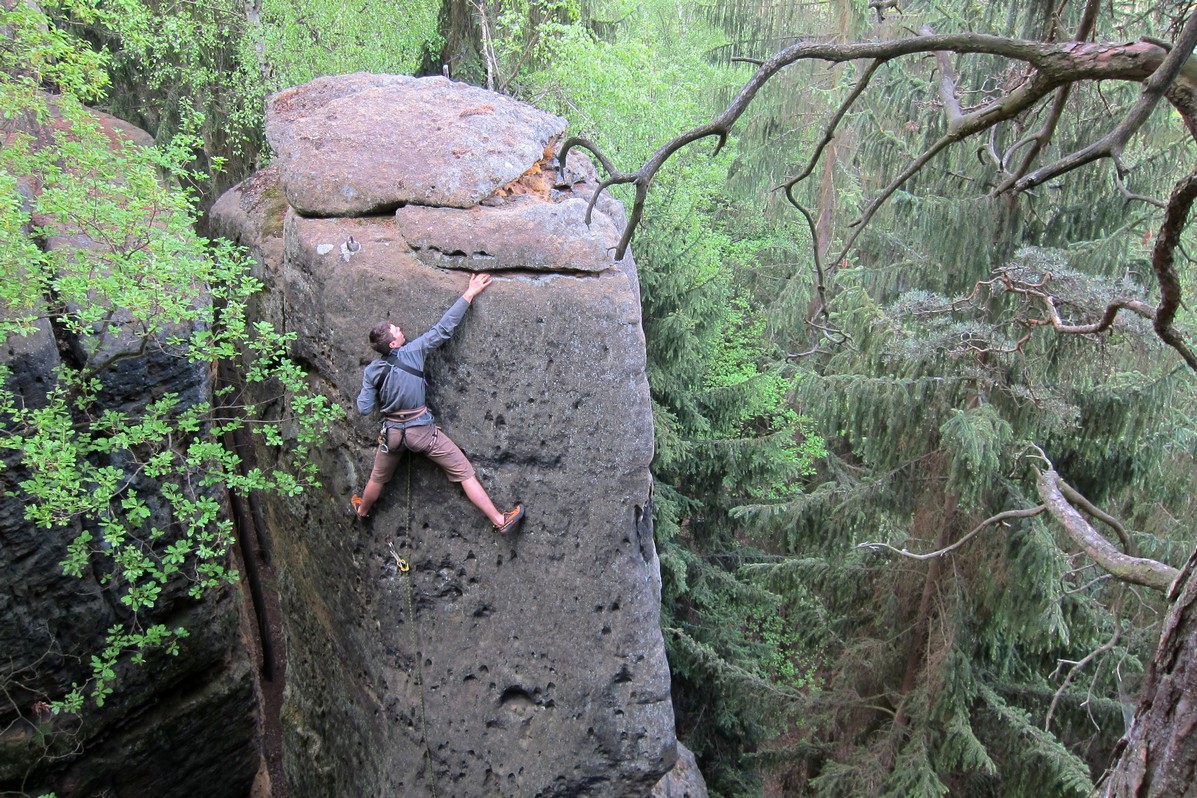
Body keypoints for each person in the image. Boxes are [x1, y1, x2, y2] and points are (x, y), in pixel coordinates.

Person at [351, 273, 524, 535]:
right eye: (396, 329)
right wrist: (469, 294)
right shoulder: (414, 351)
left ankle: (362, 510)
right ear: (394, 342)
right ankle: (500, 521)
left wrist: (375, 391)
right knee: (464, 473)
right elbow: (443, 328)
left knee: (377, 477)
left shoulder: (373, 371)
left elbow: (364, 408)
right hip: (422, 433)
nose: (400, 328)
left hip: (393, 436)